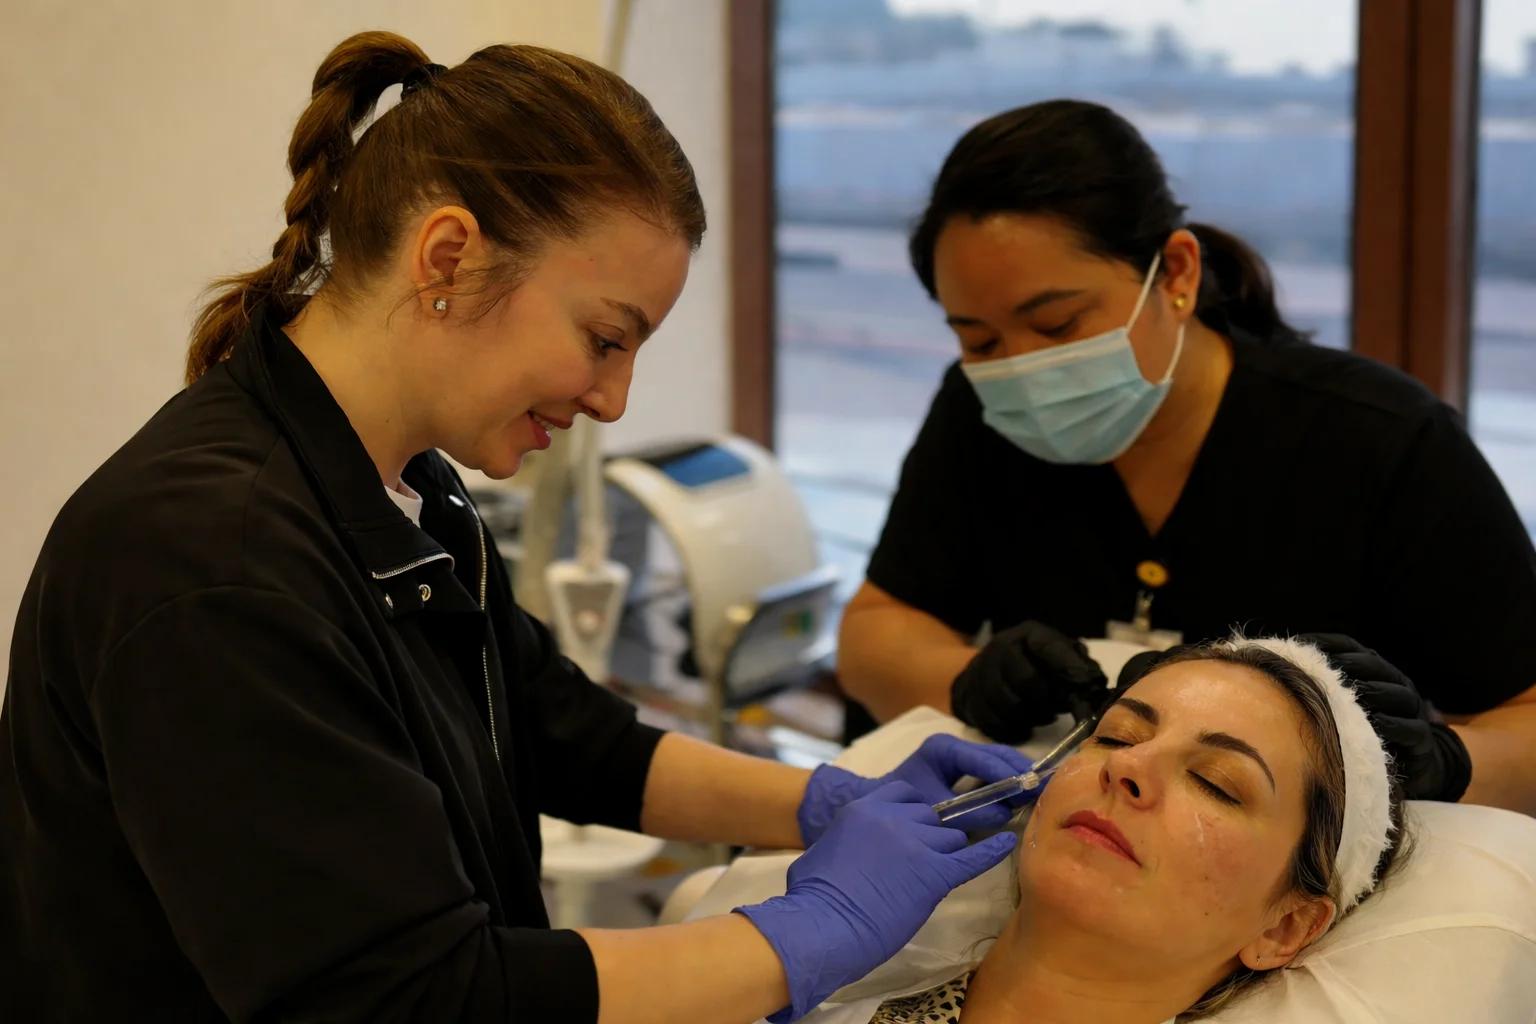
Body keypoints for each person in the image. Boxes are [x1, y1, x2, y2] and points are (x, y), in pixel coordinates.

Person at [0, 32, 1035, 1024]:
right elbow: (412, 1000)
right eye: (605, 339)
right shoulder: (212, 562)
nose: (614, 400)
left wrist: (832, 800)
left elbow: (556, 730)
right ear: (448, 257)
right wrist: (816, 928)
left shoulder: (406, 490)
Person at [836, 99, 1536, 815]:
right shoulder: (979, 415)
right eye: (979, 341)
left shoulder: (1381, 441)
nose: (1020, 370)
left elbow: (1527, 719)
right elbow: (873, 634)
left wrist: (1444, 763)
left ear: (1175, 273)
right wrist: (968, 678)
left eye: (1057, 324)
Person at [827, 636, 1409, 1024]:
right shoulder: (809, 997)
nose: (1128, 765)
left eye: (1216, 783)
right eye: (1116, 736)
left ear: (1285, 927)